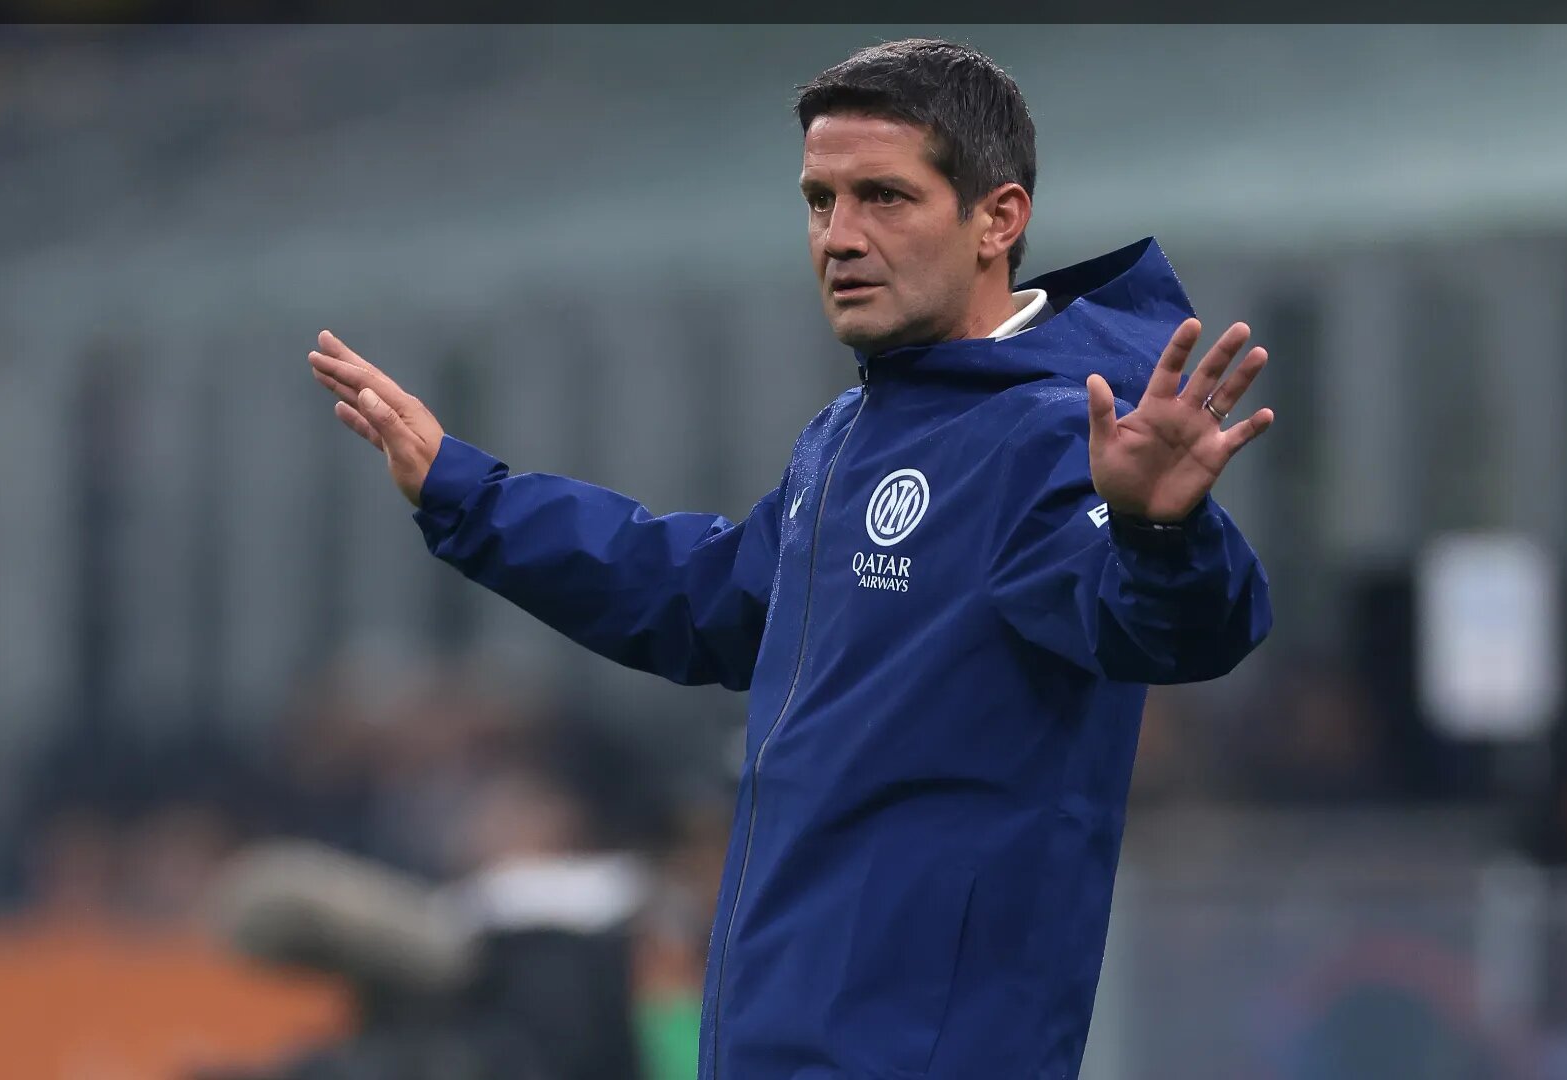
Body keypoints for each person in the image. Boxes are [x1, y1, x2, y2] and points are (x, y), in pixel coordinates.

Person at [307, 37, 1273, 1080]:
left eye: (883, 197)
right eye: (820, 201)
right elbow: (705, 599)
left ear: (997, 219)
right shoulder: (853, 431)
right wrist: (467, 492)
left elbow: (1167, 629)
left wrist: (1163, 531)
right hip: (778, 1040)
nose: (839, 237)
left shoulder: (1050, 437)